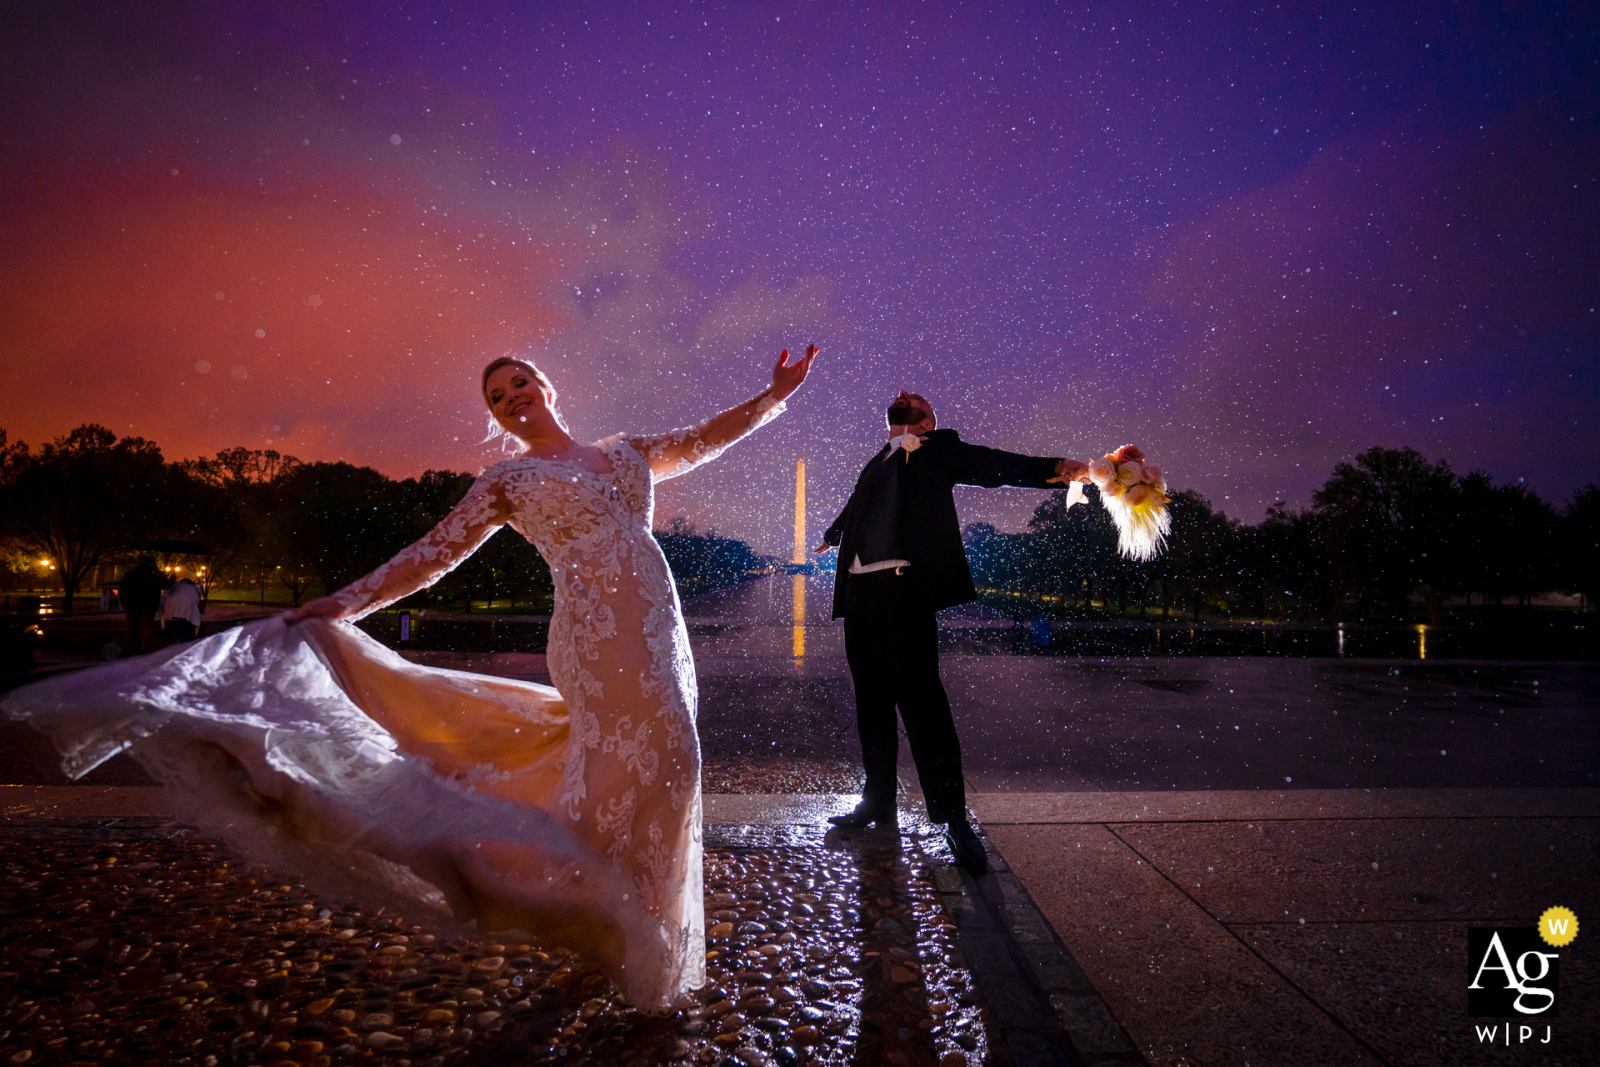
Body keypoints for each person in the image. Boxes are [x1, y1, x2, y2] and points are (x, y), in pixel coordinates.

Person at [5, 343, 817, 1009]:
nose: (513, 399)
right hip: (596, 641)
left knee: (674, 767)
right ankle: (621, 935)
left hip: (657, 628)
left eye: (520, 383)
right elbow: (430, 556)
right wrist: (346, 603)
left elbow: (707, 437)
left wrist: (772, 394)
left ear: (547, 384)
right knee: (619, 772)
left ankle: (633, 928)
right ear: (498, 419)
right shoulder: (506, 482)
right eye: (499, 398)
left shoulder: (627, 451)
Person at [816, 391, 1088, 872]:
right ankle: (877, 801)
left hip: (903, 593)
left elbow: (995, 467)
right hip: (859, 597)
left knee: (925, 711)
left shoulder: (940, 450)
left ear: (926, 421)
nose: (901, 394)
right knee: (872, 708)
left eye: (912, 398)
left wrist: (1058, 468)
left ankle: (954, 820)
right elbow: (857, 505)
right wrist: (833, 533)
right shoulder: (875, 460)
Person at [116, 556, 164, 655]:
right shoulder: (155, 575)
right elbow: (165, 584)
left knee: (130, 627)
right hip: (148, 606)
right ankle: (145, 649)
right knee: (146, 629)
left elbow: (122, 589)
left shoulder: (132, 573)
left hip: (132, 605)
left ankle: (127, 648)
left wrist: (125, 603)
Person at [157, 576, 204, 641]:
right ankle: (185, 642)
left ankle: (183, 641)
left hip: (173, 604)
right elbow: (198, 598)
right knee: (185, 624)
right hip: (188, 606)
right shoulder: (194, 588)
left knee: (183, 623)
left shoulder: (177, 585)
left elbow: (167, 592)